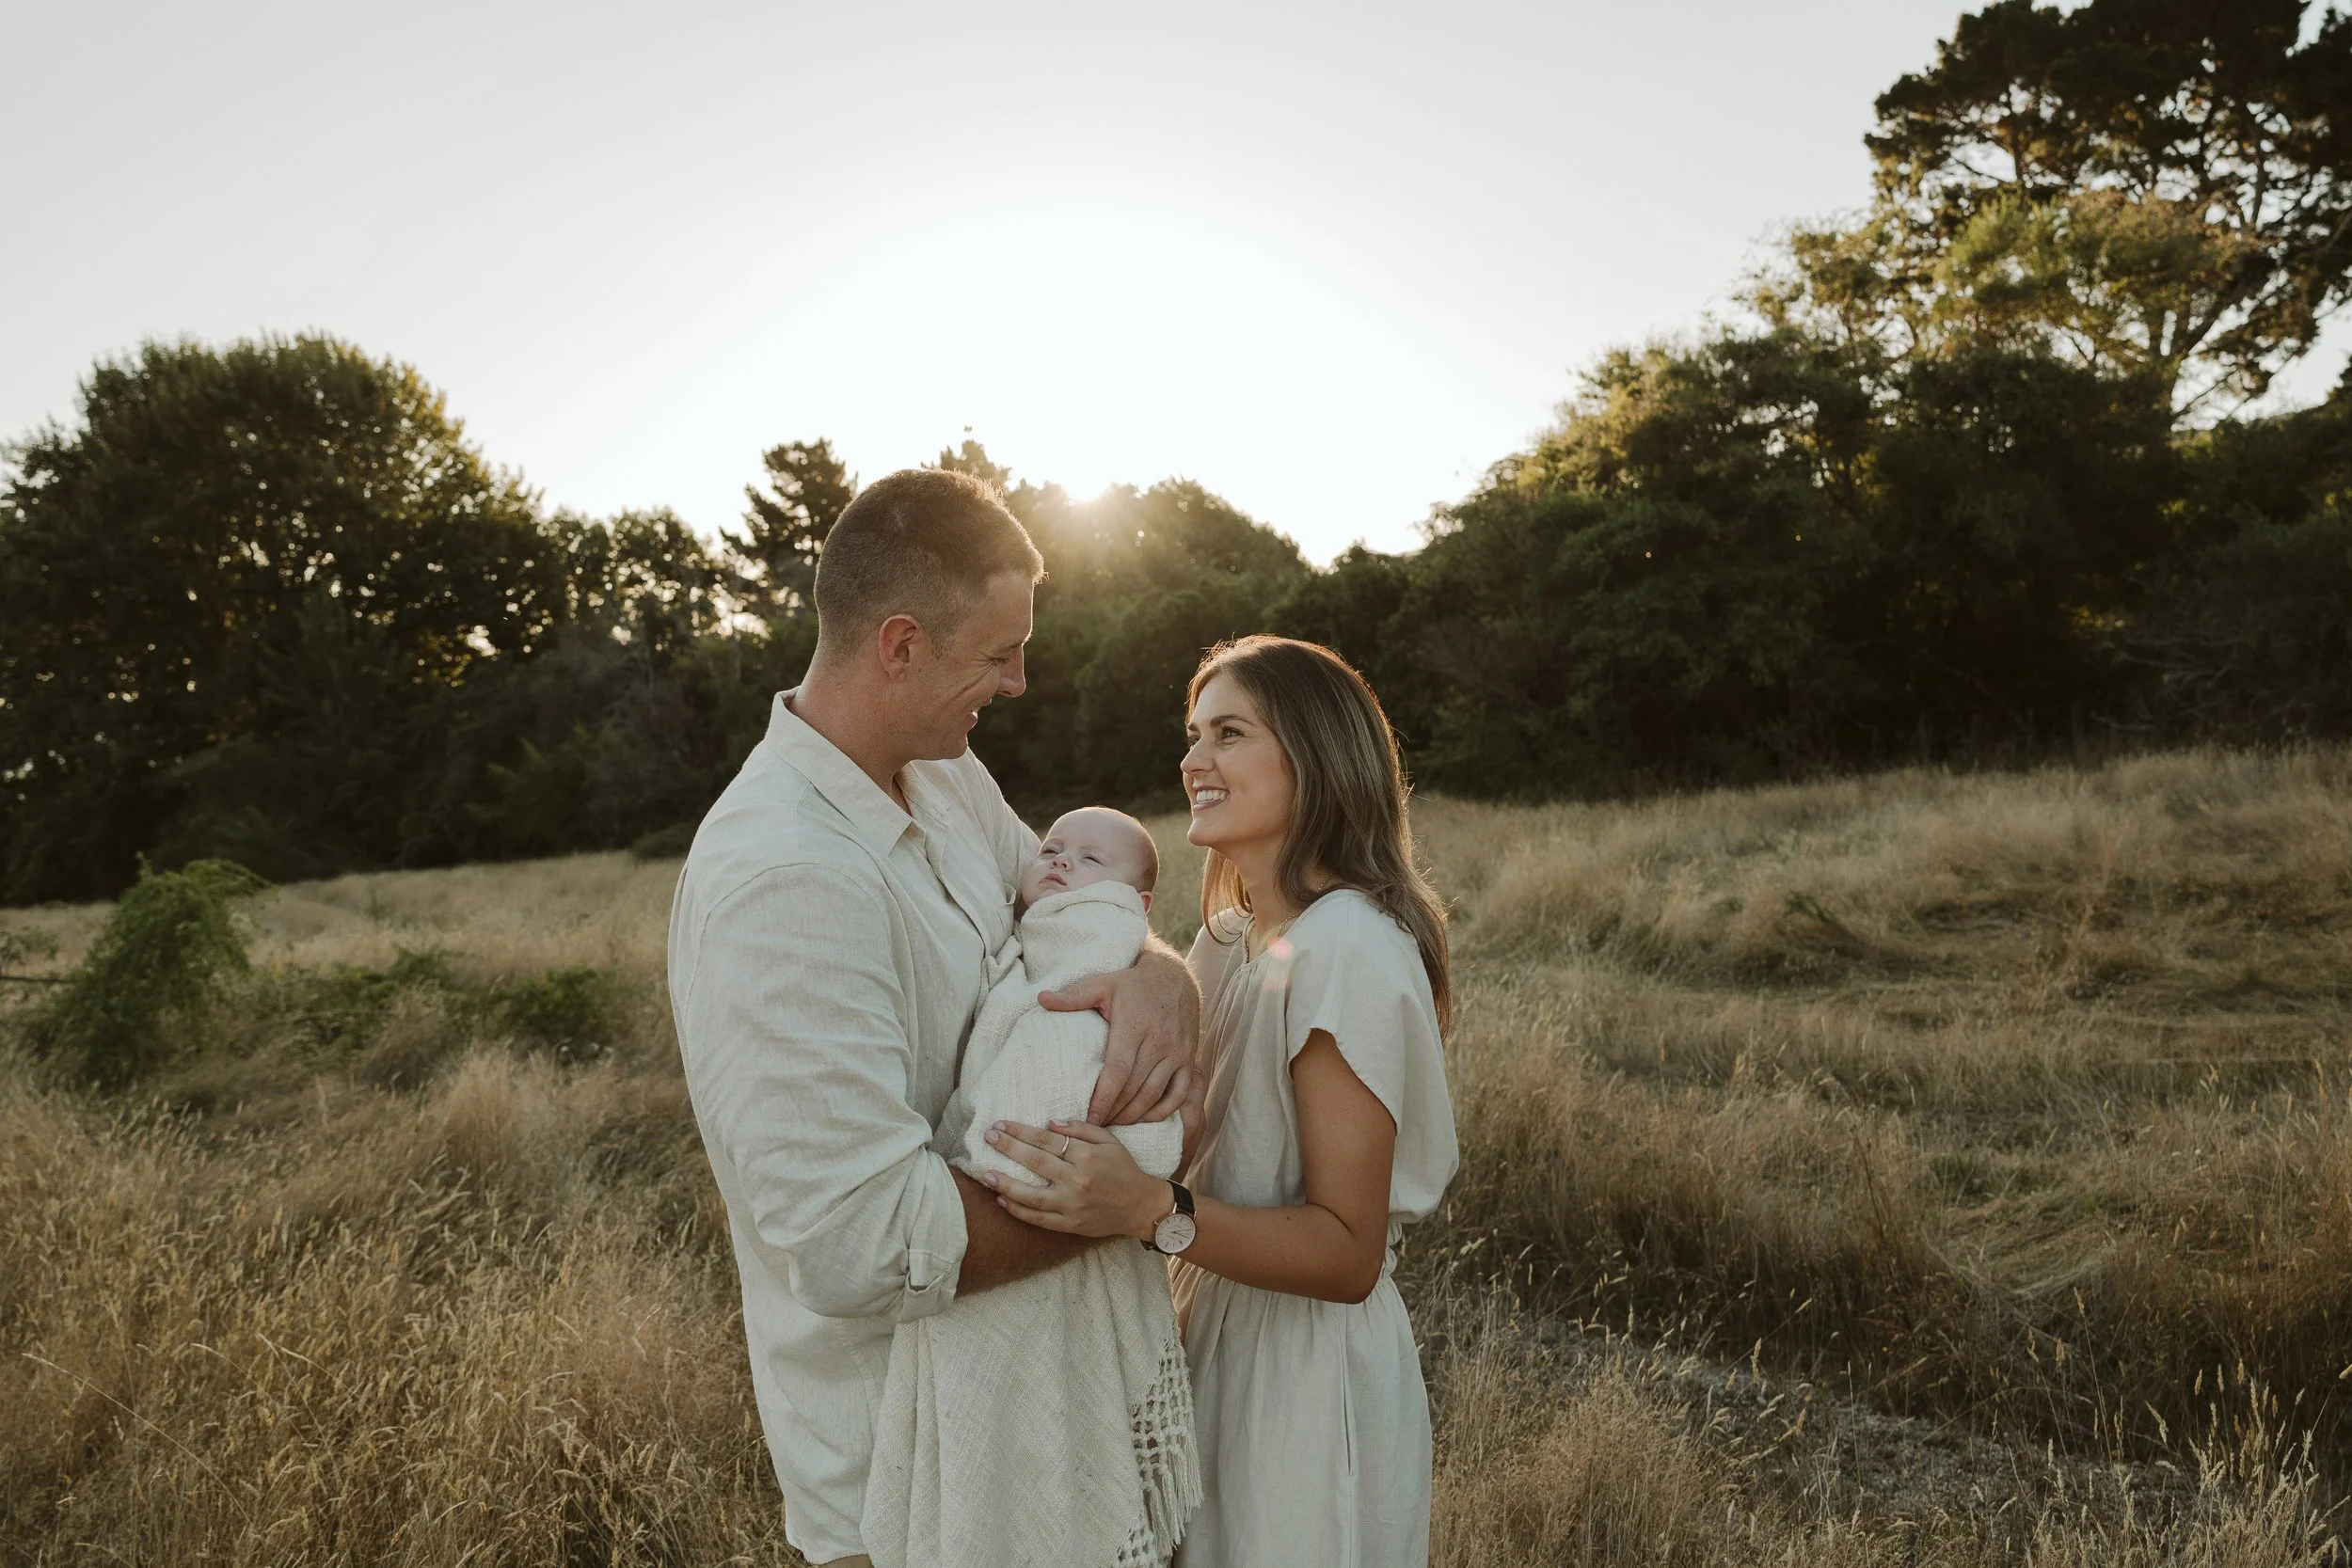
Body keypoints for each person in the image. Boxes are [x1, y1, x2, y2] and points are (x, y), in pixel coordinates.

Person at [666, 468, 1200, 1568]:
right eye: (996, 653)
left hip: (1030, 1419)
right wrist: (1115, 1204)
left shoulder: (944, 776)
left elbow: (1067, 911)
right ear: (900, 644)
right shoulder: (785, 874)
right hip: (903, 1492)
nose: (1018, 682)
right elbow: (865, 1240)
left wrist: (1158, 968)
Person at [983, 634, 1458, 1568]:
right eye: (1192, 734)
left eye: (1228, 733)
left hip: (1305, 1374)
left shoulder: (1347, 950)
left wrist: (1147, 1209)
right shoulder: (1232, 939)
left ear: (1313, 752)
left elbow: (1346, 1250)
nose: (1193, 760)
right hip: (1210, 1325)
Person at [864, 806, 1199, 1568]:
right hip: (977, 1235)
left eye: (1089, 860)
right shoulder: (1028, 934)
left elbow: (1098, 996)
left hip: (1030, 1204)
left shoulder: (962, 783)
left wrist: (1160, 970)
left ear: (1134, 904)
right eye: (1051, 849)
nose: (1059, 862)